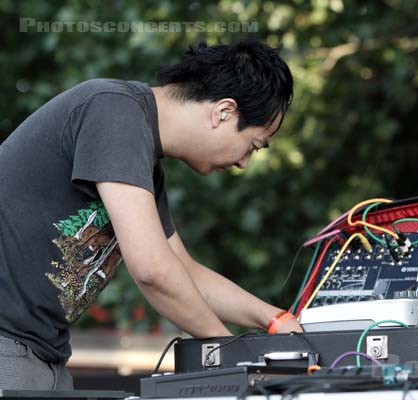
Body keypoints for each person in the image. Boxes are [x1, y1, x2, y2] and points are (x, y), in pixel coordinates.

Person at [0, 39, 302, 390]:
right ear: (223, 111)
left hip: (42, 353)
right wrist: (233, 356)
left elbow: (184, 273)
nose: (243, 163)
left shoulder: (142, 158)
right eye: (252, 145)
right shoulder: (114, 112)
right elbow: (152, 270)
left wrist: (275, 319)